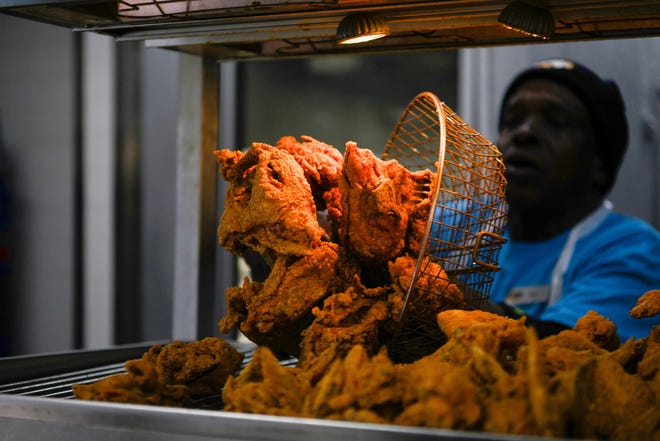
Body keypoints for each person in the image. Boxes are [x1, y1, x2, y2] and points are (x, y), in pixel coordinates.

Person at [487, 58, 660, 341]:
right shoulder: (453, 224)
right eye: (512, 120)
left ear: (599, 166)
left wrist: (439, 298)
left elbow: (570, 351)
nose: (524, 132)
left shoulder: (635, 252)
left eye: (555, 123)